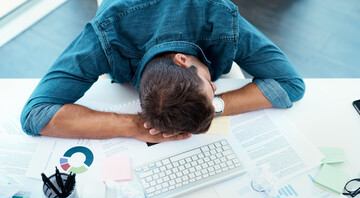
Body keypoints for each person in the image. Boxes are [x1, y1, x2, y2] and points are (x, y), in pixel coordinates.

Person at [20, 0, 305, 143]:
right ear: (181, 60)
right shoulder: (105, 35)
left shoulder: (216, 16)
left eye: (209, 87)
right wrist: (135, 126)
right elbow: (35, 114)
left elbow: (291, 84)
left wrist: (210, 107)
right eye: (210, 86)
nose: (216, 88)